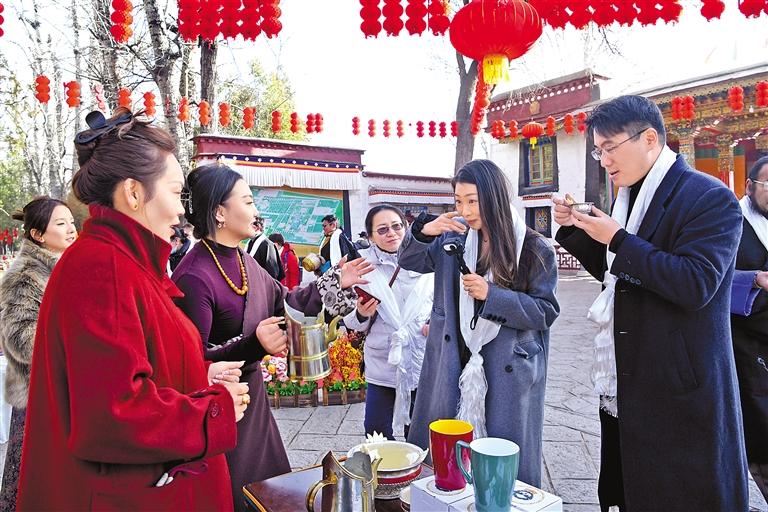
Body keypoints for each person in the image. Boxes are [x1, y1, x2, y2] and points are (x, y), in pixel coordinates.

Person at [16, 108, 250, 511]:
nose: (181, 211)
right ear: (134, 193)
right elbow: (112, 414)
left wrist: (197, 374)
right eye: (175, 193)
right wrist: (213, 411)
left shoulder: (125, 262)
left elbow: (124, 368)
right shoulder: (101, 267)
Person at [552, 95, 749, 511]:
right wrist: (578, 230)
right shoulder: (629, 198)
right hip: (630, 375)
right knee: (632, 490)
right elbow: (620, 276)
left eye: (610, 147)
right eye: (598, 150)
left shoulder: (708, 197)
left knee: (679, 495)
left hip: (680, 385)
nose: (604, 160)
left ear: (649, 139)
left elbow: (696, 283)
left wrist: (618, 239)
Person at [173, 163, 371, 512]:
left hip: (254, 408)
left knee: (270, 495)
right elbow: (189, 363)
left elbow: (287, 301)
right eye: (248, 201)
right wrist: (254, 344)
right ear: (220, 212)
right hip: (219, 414)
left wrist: (335, 282)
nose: (256, 211)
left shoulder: (243, 261)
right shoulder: (194, 275)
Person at [399, 160, 559, 487]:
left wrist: (492, 296)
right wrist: (424, 231)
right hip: (453, 358)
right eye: (459, 201)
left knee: (501, 467)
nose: (466, 211)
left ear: (494, 197)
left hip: (507, 365)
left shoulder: (533, 247)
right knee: (445, 457)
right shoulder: (453, 237)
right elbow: (409, 259)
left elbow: (545, 311)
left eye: (473, 200)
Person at [0, 197, 77, 511]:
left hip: (62, 388)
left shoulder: (64, 265)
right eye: (61, 223)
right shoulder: (25, 276)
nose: (71, 229)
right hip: (36, 395)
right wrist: (75, 346)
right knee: (33, 483)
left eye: (71, 221)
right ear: (37, 235)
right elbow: (19, 338)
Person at [343, 205, 432, 440]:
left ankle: (416, 465)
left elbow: (442, 303)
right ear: (371, 236)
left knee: (419, 433)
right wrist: (361, 314)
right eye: (382, 230)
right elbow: (351, 321)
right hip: (382, 362)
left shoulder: (428, 260)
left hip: (420, 358)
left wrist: (434, 320)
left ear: (406, 227)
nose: (391, 233)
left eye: (396, 226)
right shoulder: (361, 267)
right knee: (376, 432)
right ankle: (384, 466)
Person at [730, 155, 768, 502]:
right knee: (757, 428)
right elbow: (711, 275)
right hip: (746, 344)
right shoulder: (731, 223)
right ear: (749, 186)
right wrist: (754, 279)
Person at [246, 216, 284, 281]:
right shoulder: (250, 242)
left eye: (249, 225)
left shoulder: (268, 245)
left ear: (256, 228)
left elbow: (272, 274)